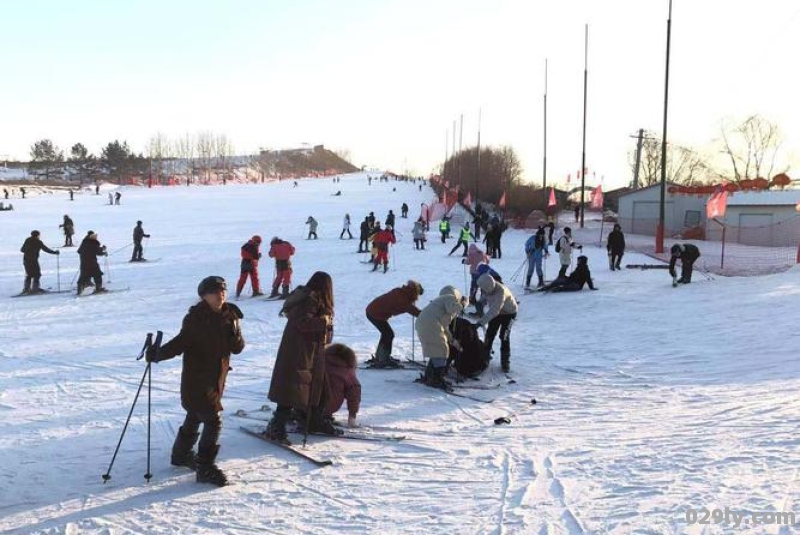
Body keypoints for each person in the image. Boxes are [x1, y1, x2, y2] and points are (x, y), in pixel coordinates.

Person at [146, 276, 245, 487]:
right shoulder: (196, 318)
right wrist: (157, 354)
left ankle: (180, 454)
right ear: (204, 296)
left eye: (223, 290)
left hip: (217, 378)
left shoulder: (231, 315)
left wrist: (236, 334)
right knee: (212, 419)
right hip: (197, 379)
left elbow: (237, 348)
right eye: (214, 292)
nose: (220, 294)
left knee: (195, 414)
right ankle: (205, 467)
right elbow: (180, 343)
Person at [265, 272, 338, 442]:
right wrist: (324, 322)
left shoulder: (312, 299)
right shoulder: (309, 300)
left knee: (318, 386)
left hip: (308, 350)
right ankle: (277, 425)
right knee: (293, 388)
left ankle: (313, 419)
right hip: (299, 351)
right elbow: (302, 323)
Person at [415, 286, 467, 389]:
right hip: (431, 324)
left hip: (424, 324)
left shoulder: (440, 304)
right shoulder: (450, 298)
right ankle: (437, 379)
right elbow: (452, 308)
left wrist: (452, 340)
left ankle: (429, 376)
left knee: (436, 350)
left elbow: (444, 326)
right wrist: (463, 305)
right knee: (442, 349)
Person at [365, 280, 423, 367]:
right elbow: (416, 312)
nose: (417, 297)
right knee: (388, 334)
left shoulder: (401, 292)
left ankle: (381, 356)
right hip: (375, 313)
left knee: (386, 334)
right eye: (418, 295)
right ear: (415, 292)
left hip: (374, 311)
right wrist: (429, 314)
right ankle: (383, 359)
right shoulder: (403, 299)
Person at [474, 273, 518, 373]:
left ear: (489, 287)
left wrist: (480, 323)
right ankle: (484, 357)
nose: (482, 291)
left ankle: (505, 361)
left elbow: (494, 310)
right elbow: (485, 298)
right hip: (497, 313)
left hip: (509, 313)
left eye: (483, 289)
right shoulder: (486, 288)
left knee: (504, 336)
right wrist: (480, 303)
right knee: (489, 334)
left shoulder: (501, 291)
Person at [323, 343, 361, 428]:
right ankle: (324, 415)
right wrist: (352, 416)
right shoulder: (347, 373)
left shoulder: (318, 363)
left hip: (305, 403)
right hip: (330, 405)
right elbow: (354, 395)